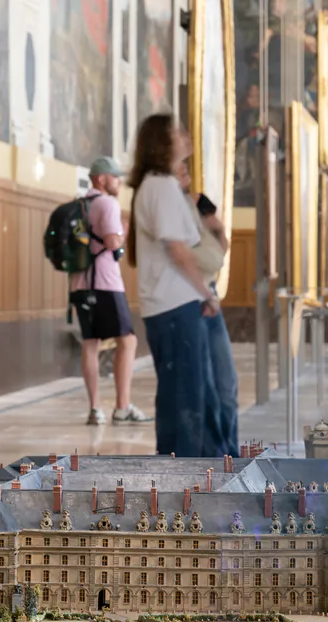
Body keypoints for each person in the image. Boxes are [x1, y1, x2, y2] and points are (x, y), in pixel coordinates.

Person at [125, 114, 224, 457]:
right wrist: (206, 292)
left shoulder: (156, 185)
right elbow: (178, 250)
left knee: (186, 395)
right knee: (185, 398)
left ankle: (195, 469)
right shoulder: (161, 185)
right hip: (174, 305)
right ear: (163, 143)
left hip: (171, 304)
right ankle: (186, 478)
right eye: (178, 131)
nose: (185, 135)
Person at [69, 156, 151, 426]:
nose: (118, 181)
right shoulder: (108, 204)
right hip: (105, 283)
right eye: (115, 177)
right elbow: (114, 247)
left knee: (90, 343)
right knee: (127, 341)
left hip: (79, 284)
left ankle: (95, 409)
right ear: (101, 179)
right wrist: (124, 236)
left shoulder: (79, 204)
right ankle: (122, 406)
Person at [176, 158, 239, 457]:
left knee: (226, 387)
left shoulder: (198, 203)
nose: (186, 175)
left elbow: (219, 235)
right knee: (208, 391)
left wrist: (218, 232)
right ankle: (215, 457)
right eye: (181, 168)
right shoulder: (167, 211)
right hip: (187, 299)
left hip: (207, 295)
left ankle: (232, 454)